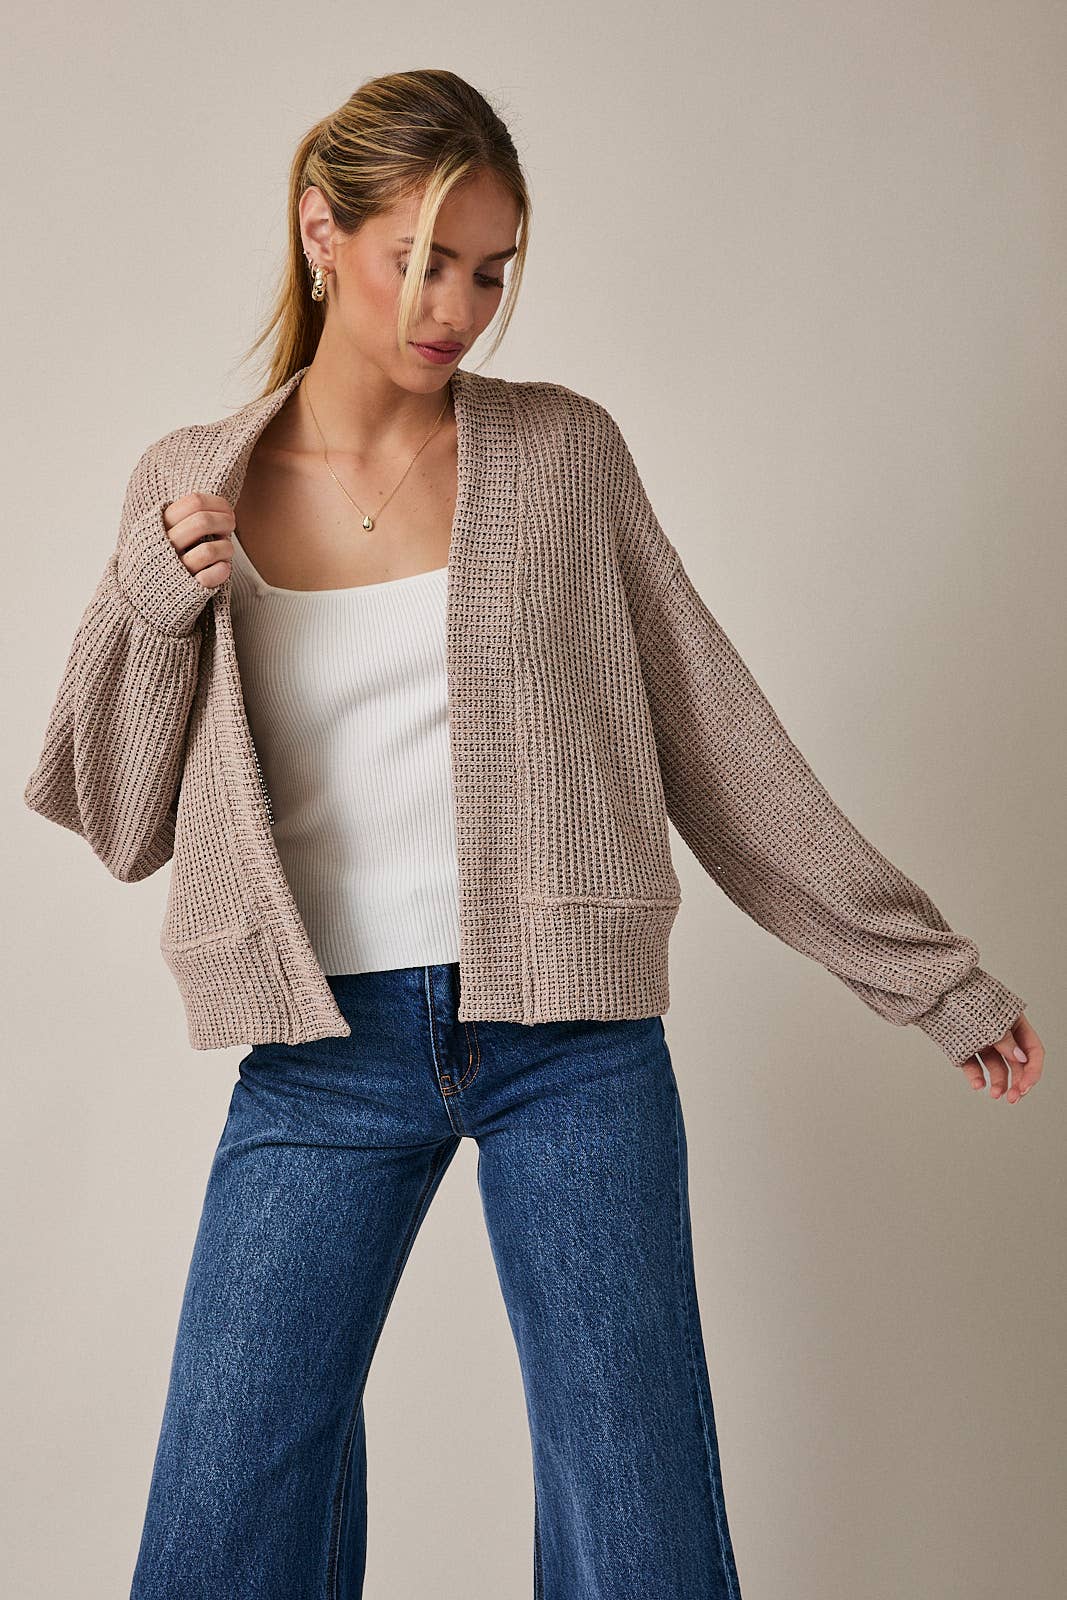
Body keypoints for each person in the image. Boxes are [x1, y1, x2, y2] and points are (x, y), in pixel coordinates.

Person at [24, 70, 1041, 1600]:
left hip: (575, 1047)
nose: (459, 310)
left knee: (641, 1535)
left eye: (490, 271)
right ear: (320, 232)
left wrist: (927, 975)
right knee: (223, 1523)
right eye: (422, 261)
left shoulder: (565, 457)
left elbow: (718, 738)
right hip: (320, 1054)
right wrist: (149, 605)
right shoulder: (191, 482)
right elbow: (113, 815)